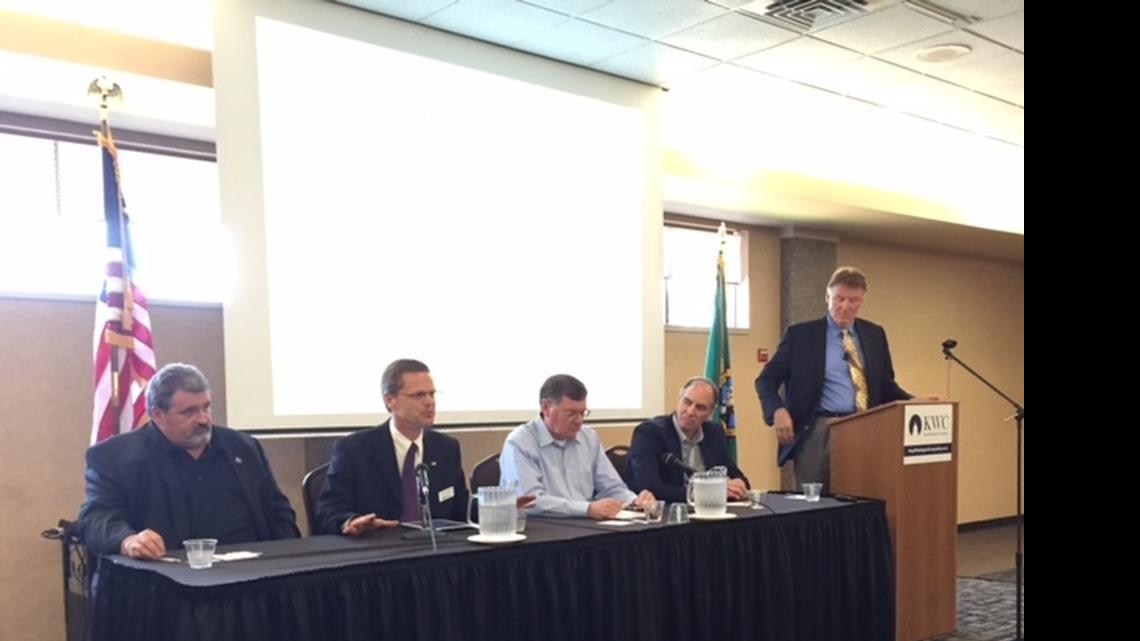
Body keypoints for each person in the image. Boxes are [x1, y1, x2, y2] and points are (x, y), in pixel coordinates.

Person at [78, 363, 300, 560]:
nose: (204, 419)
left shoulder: (243, 447)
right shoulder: (114, 457)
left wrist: (283, 559)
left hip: (251, 577)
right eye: (190, 412)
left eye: (206, 407)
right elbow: (97, 517)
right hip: (166, 585)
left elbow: (278, 510)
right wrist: (127, 540)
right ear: (157, 415)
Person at [755, 266, 916, 493]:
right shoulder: (801, 336)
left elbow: (885, 386)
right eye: (838, 299)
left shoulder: (874, 334)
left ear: (862, 301)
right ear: (827, 297)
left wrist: (915, 402)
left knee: (860, 497)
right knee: (813, 502)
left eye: (853, 301)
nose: (844, 307)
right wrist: (777, 411)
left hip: (865, 427)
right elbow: (766, 380)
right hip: (817, 429)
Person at [315, 359, 469, 536]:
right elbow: (328, 511)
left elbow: (461, 512)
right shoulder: (355, 449)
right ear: (390, 400)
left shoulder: (446, 448)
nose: (429, 402)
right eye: (418, 395)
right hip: (379, 551)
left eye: (432, 394)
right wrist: (350, 521)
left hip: (436, 552)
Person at [499, 374, 654, 520]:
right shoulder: (519, 442)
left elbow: (611, 487)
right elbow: (530, 502)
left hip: (587, 527)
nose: (579, 420)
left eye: (583, 412)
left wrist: (636, 500)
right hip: (542, 530)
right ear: (546, 408)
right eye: (571, 413)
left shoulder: (589, 438)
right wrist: (587, 509)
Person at [628, 377, 750, 503]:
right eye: (687, 402)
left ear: (710, 413)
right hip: (669, 514)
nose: (690, 411)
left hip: (709, 512)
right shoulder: (650, 433)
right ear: (679, 398)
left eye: (700, 408)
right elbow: (650, 488)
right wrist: (709, 491)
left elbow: (738, 477)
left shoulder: (713, 433)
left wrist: (739, 484)